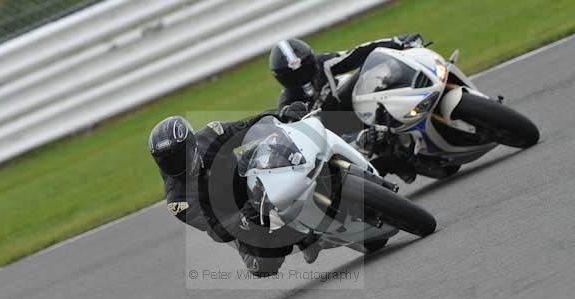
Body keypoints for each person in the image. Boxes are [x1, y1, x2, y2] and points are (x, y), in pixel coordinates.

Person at [148, 103, 321, 277]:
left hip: (251, 177)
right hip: (238, 216)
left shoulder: (210, 135)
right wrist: (246, 215)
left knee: (271, 144)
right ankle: (299, 236)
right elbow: (217, 230)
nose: (175, 165)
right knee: (261, 266)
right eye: (168, 162)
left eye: (179, 157)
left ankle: (319, 173)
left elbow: (247, 127)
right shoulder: (178, 200)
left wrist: (282, 114)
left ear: (191, 143)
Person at [269, 34, 424, 112]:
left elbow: (358, 53)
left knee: (369, 74)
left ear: (312, 61)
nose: (303, 77)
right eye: (295, 76)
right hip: (332, 142)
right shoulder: (285, 106)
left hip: (352, 111)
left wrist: (398, 42)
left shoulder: (324, 63)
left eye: (305, 69)